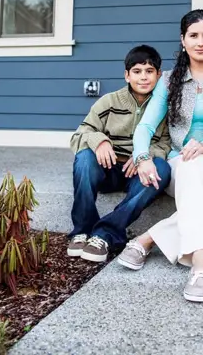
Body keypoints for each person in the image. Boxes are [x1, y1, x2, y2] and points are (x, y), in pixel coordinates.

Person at [117, 9, 203, 303]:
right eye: (193, 35)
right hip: (183, 164)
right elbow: (145, 127)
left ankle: (149, 238)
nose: (200, 42)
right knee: (195, 162)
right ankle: (201, 266)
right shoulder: (168, 80)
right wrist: (142, 157)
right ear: (183, 40)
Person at [67, 45, 171, 263]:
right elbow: (80, 134)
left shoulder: (164, 106)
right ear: (127, 75)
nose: (143, 77)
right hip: (109, 169)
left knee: (162, 168)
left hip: (139, 174)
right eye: (137, 71)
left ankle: (105, 233)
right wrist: (99, 141)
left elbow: (167, 142)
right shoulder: (109, 101)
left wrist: (145, 155)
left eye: (150, 71)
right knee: (84, 158)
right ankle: (82, 230)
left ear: (159, 75)